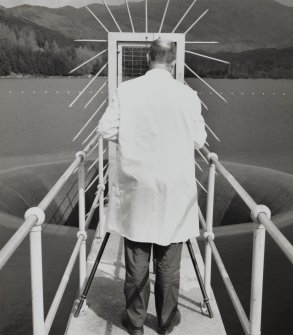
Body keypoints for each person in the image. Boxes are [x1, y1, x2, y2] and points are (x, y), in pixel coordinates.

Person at [98, 38, 207, 335]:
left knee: (136, 257)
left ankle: (134, 323)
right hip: (174, 187)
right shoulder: (187, 95)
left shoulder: (127, 91)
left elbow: (106, 129)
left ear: (148, 58)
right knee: (169, 261)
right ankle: (167, 321)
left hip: (138, 186)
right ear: (173, 62)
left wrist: (132, 141)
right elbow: (199, 140)